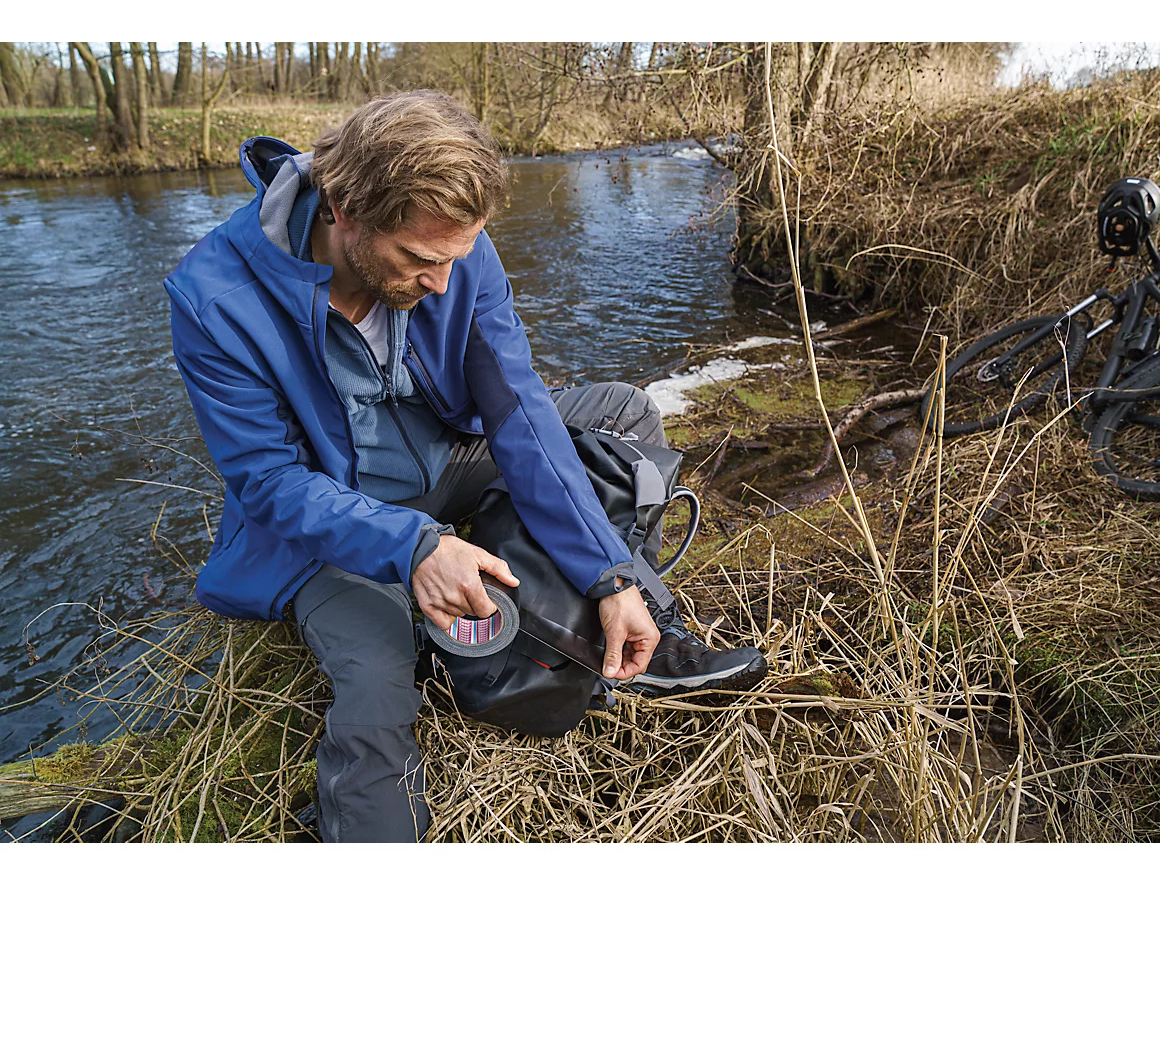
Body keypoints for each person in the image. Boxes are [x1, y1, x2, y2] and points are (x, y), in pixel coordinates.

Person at [165, 90, 766, 843]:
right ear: (343, 207)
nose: (444, 283)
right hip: (334, 517)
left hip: (449, 455)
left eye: (457, 256)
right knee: (378, 676)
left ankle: (631, 630)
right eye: (419, 259)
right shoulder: (212, 295)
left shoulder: (456, 245)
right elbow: (270, 482)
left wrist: (612, 576)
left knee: (621, 416)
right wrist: (413, 547)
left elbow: (516, 406)